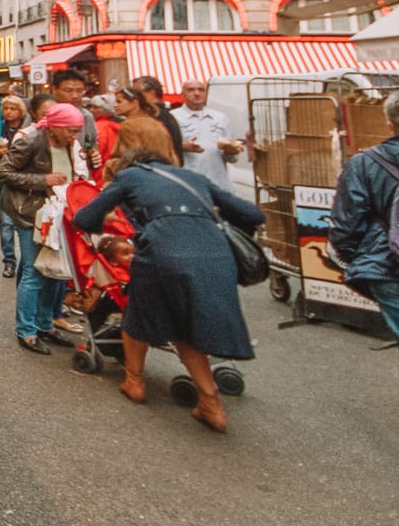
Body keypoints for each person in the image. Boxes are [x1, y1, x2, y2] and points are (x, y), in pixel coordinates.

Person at [72, 147, 264, 432]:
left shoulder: (129, 176)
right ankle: (211, 403)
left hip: (163, 253)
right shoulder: (192, 177)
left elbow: (84, 219)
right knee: (188, 327)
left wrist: (109, 221)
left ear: (131, 164)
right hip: (216, 255)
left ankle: (134, 381)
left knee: (137, 313)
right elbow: (253, 214)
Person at [0, 102, 91, 355]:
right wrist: (41, 180)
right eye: (70, 130)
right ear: (55, 127)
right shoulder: (31, 140)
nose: (74, 136)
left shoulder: (70, 142)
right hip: (31, 213)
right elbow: (2, 173)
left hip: (60, 213)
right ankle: (26, 330)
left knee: (54, 274)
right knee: (34, 272)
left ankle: (45, 324)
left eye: (77, 131)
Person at [330, 91, 399, 357]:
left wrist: (360, 257)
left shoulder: (363, 163)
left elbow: (346, 228)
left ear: (389, 124)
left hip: (388, 268)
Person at [174, 79, 241, 193]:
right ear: (182, 95)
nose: (196, 93)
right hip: (187, 184)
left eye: (201, 90)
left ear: (206, 94)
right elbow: (162, 151)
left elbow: (232, 159)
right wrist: (182, 147)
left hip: (218, 184)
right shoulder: (173, 118)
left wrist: (231, 151)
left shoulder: (220, 118)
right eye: (191, 90)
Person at [0, 95, 29, 277]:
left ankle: (26, 261)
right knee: (6, 223)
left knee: (25, 225)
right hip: (3, 184)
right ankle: (9, 261)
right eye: (6, 108)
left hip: (25, 183)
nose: (9, 112)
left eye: (13, 108)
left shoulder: (29, 130)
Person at [48, 68, 103, 175]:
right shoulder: (46, 113)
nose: (75, 96)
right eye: (68, 91)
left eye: (79, 91)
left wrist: (94, 154)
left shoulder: (87, 117)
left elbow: (91, 144)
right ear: (54, 89)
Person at [111, 86, 180, 168]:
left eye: (119, 102)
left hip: (143, 175)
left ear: (134, 103)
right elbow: (172, 156)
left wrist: (111, 166)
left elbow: (131, 161)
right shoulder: (157, 123)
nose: (115, 105)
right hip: (165, 174)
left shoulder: (129, 125)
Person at [133, 76, 186, 161]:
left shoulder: (154, 117)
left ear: (151, 93)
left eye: (136, 93)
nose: (133, 97)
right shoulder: (166, 116)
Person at [88, 94, 122, 176]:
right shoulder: (121, 125)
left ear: (105, 109)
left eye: (96, 107)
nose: (91, 110)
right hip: (118, 169)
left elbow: (97, 150)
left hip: (102, 172)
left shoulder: (99, 126)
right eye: (91, 107)